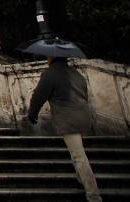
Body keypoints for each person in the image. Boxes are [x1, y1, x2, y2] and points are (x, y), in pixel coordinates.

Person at [27, 56, 101, 202]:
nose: (46, 58)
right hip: (84, 115)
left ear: (52, 58)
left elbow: (38, 96)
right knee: (76, 152)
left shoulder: (50, 74)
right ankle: (81, 179)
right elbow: (84, 92)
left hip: (68, 119)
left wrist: (32, 113)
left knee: (79, 156)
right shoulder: (75, 73)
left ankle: (93, 195)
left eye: (48, 56)